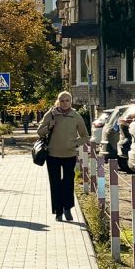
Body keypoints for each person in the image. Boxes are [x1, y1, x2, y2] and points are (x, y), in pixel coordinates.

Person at [38, 91, 91, 222]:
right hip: (52, 155)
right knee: (55, 183)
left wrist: (75, 143)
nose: (65, 103)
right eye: (62, 101)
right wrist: (49, 126)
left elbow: (85, 136)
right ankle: (58, 211)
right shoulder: (51, 114)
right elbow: (40, 131)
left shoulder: (76, 116)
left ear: (71, 102)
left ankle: (67, 208)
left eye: (67, 100)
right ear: (58, 102)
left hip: (69, 154)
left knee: (68, 182)